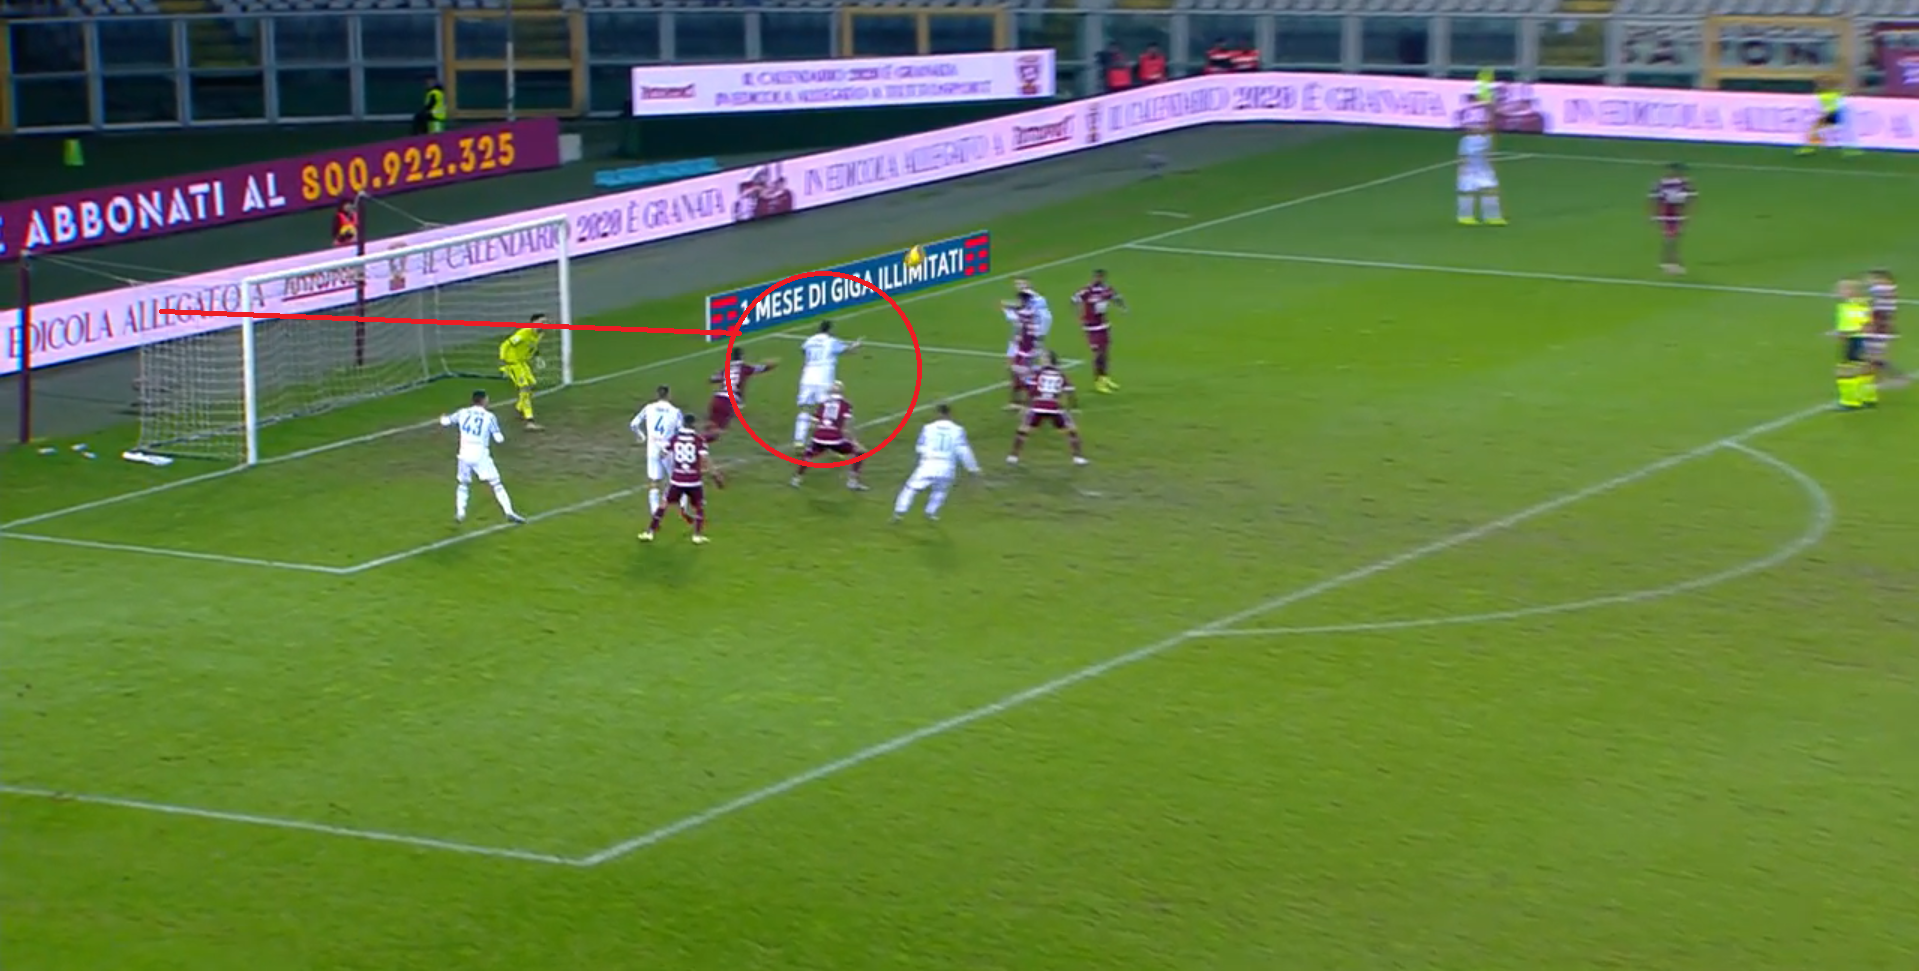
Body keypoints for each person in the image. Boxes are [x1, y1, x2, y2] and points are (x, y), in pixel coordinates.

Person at [438, 390, 526, 525]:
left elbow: (445, 422)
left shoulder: (462, 412)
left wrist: (442, 417)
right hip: (480, 455)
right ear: (483, 401)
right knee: (496, 484)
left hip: (464, 454)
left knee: (463, 484)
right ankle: (509, 512)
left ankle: (460, 513)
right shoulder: (489, 417)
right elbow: (499, 439)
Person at [892, 403, 983, 523]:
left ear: (937, 414)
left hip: (928, 463)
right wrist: (973, 468)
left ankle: (899, 512)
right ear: (950, 414)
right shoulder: (958, 430)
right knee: (940, 490)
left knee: (911, 488)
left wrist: (926, 454)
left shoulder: (928, 428)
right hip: (947, 466)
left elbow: (919, 448)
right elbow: (964, 451)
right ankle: (931, 513)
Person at [640, 426, 722, 545]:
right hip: (694, 480)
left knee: (664, 504)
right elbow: (705, 458)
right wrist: (714, 475)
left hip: (677, 480)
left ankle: (650, 532)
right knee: (699, 506)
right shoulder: (698, 439)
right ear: (693, 425)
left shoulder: (675, 438)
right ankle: (697, 536)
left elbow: (663, 453)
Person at [1008, 352, 1088, 466]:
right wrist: (1074, 407)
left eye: (1043, 358)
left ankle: (1013, 456)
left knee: (1023, 430)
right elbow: (1070, 391)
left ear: (1048, 360)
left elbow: (1031, 391)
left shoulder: (1038, 373)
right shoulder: (1061, 374)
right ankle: (1078, 458)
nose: (1041, 359)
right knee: (1072, 431)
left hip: (1038, 406)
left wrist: (1025, 406)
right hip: (1055, 407)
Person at [793, 320, 862, 447]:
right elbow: (847, 350)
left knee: (805, 407)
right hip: (823, 377)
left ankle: (799, 440)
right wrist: (856, 345)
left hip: (807, 376)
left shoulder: (810, 340)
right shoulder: (831, 341)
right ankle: (828, 437)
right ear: (829, 329)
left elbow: (803, 350)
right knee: (827, 408)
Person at [791, 382, 869, 491]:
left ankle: (796, 479)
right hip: (835, 438)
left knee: (808, 455)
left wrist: (814, 437)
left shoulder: (823, 403)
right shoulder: (845, 404)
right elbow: (847, 426)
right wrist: (854, 441)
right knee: (860, 452)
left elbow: (813, 423)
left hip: (819, 437)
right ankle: (853, 482)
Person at [629, 386, 683, 517]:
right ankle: (676, 504)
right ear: (669, 395)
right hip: (668, 449)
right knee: (675, 479)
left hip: (652, 447)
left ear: (657, 395)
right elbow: (681, 431)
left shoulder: (649, 408)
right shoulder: (675, 411)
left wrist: (642, 436)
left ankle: (654, 512)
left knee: (654, 480)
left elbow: (633, 424)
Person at [1072, 269, 1127, 394]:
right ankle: (1098, 381)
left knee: (1105, 352)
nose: (1098, 279)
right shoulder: (1087, 290)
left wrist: (1123, 308)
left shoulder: (1106, 289)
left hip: (1103, 325)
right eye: (1096, 277)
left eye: (1101, 277)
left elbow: (1116, 297)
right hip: (1091, 326)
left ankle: (1105, 377)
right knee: (1098, 353)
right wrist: (1079, 315)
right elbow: (1074, 300)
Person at [1832, 278, 1878, 410]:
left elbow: (1864, 326)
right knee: (1865, 369)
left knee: (1845, 371)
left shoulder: (1853, 307)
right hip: (1863, 340)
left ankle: (1850, 402)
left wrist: (1843, 334)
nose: (1838, 292)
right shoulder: (1862, 304)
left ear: (1850, 291)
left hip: (1857, 340)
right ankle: (1869, 398)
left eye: (1841, 289)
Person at [497, 315, 545, 430]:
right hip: (512, 363)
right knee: (525, 388)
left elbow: (533, 346)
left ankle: (519, 409)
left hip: (522, 362)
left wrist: (537, 356)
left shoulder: (539, 334)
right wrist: (503, 362)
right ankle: (530, 421)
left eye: (545, 322)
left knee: (532, 384)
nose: (544, 324)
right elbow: (505, 345)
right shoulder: (523, 333)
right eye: (541, 322)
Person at [1456, 118, 1505, 226]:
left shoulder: (1487, 138)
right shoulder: (1466, 140)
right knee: (1467, 192)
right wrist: (1462, 170)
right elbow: (1463, 156)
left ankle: (1492, 217)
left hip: (1485, 169)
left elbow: (1490, 151)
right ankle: (1465, 216)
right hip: (1469, 169)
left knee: (1490, 190)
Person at [1800, 76, 1858, 157]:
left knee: (1814, 130)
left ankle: (1810, 148)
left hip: (1832, 114)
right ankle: (1814, 146)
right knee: (1817, 130)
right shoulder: (1832, 94)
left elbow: (1833, 105)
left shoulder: (1827, 95)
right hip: (1834, 114)